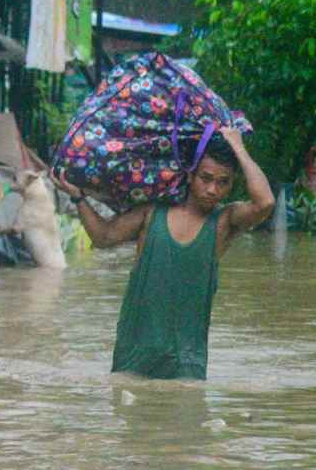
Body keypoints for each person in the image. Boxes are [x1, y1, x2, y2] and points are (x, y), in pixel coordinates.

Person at [53, 126, 274, 379]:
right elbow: (103, 237)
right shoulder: (151, 212)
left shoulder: (224, 222)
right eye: (206, 178)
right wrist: (78, 198)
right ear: (190, 175)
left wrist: (239, 147)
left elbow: (265, 203)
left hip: (187, 361)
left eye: (223, 182)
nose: (213, 189)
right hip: (133, 355)